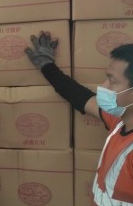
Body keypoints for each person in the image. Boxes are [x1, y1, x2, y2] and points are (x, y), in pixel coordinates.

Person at [25, 31, 133, 205]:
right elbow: (81, 97)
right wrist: (47, 67)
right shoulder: (119, 120)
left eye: (112, 81)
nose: (102, 87)